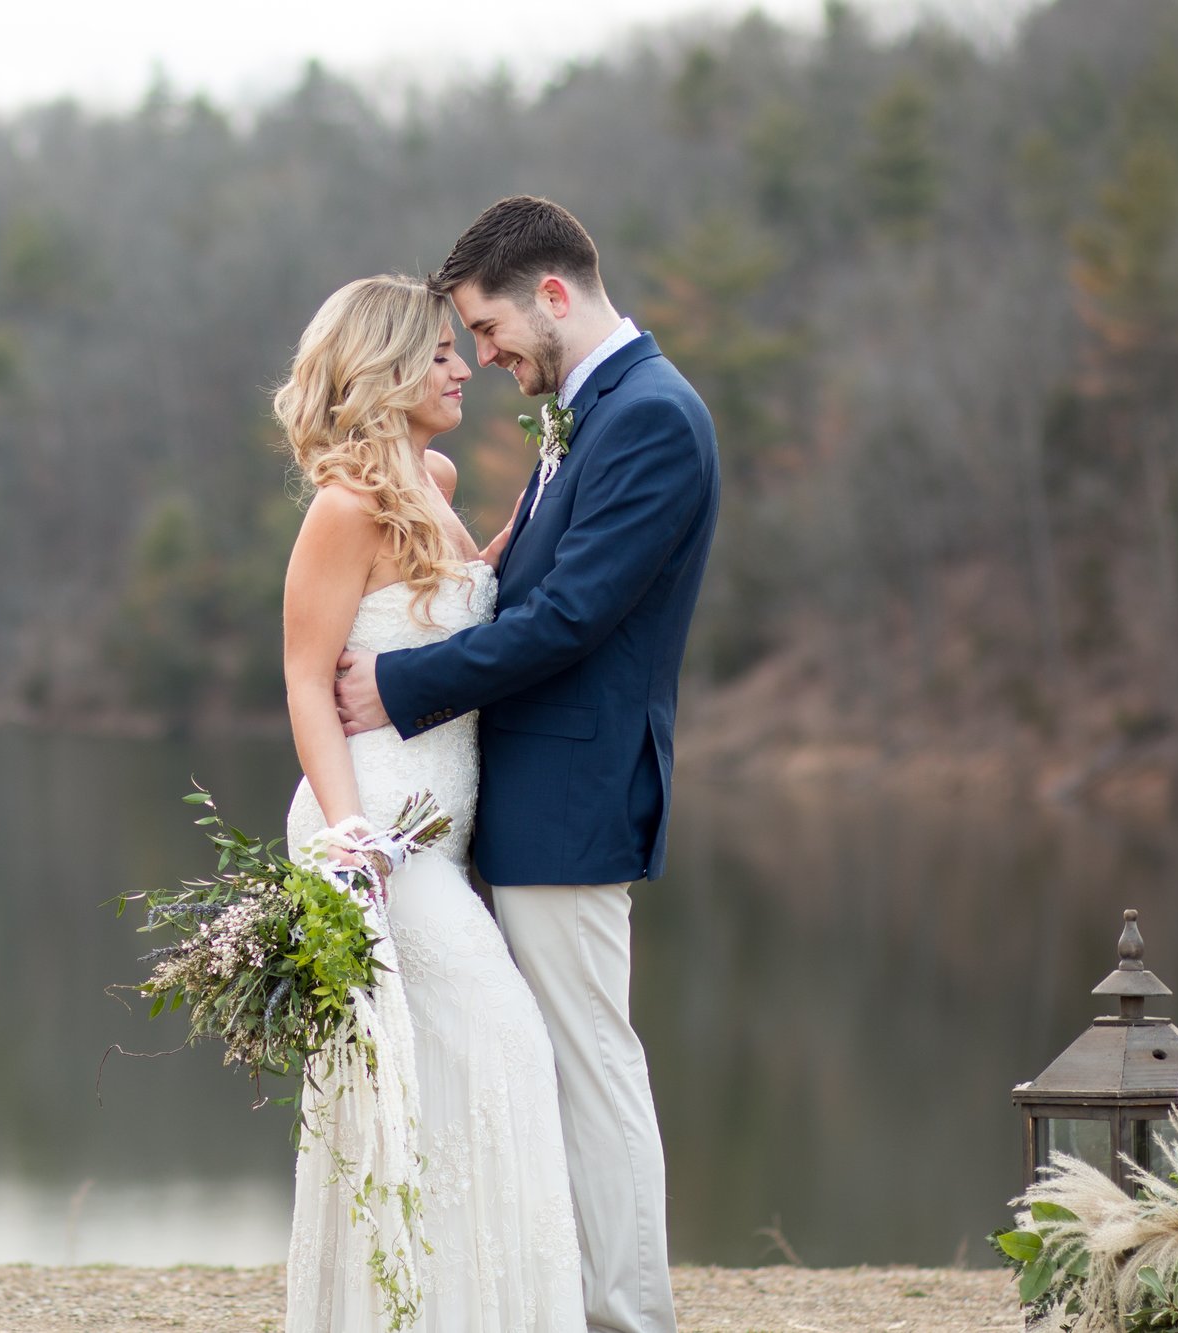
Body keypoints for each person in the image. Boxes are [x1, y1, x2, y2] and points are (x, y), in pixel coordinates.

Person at [334, 196, 721, 1333]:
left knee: (591, 1065)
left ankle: (624, 1317)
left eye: (488, 330)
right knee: (544, 1064)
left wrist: (402, 685)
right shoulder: (589, 412)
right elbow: (539, 585)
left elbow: (571, 621)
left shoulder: (648, 416)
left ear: (551, 293)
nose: (487, 358)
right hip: (520, 796)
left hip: (575, 796)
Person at [278, 273, 585, 1332]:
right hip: (378, 833)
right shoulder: (343, 506)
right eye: (443, 354)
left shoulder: (434, 478)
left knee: (459, 1074)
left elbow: (453, 609)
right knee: (497, 1043)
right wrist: (347, 836)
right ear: (387, 366)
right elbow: (304, 679)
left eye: (465, 350)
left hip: (440, 837)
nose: (464, 369)